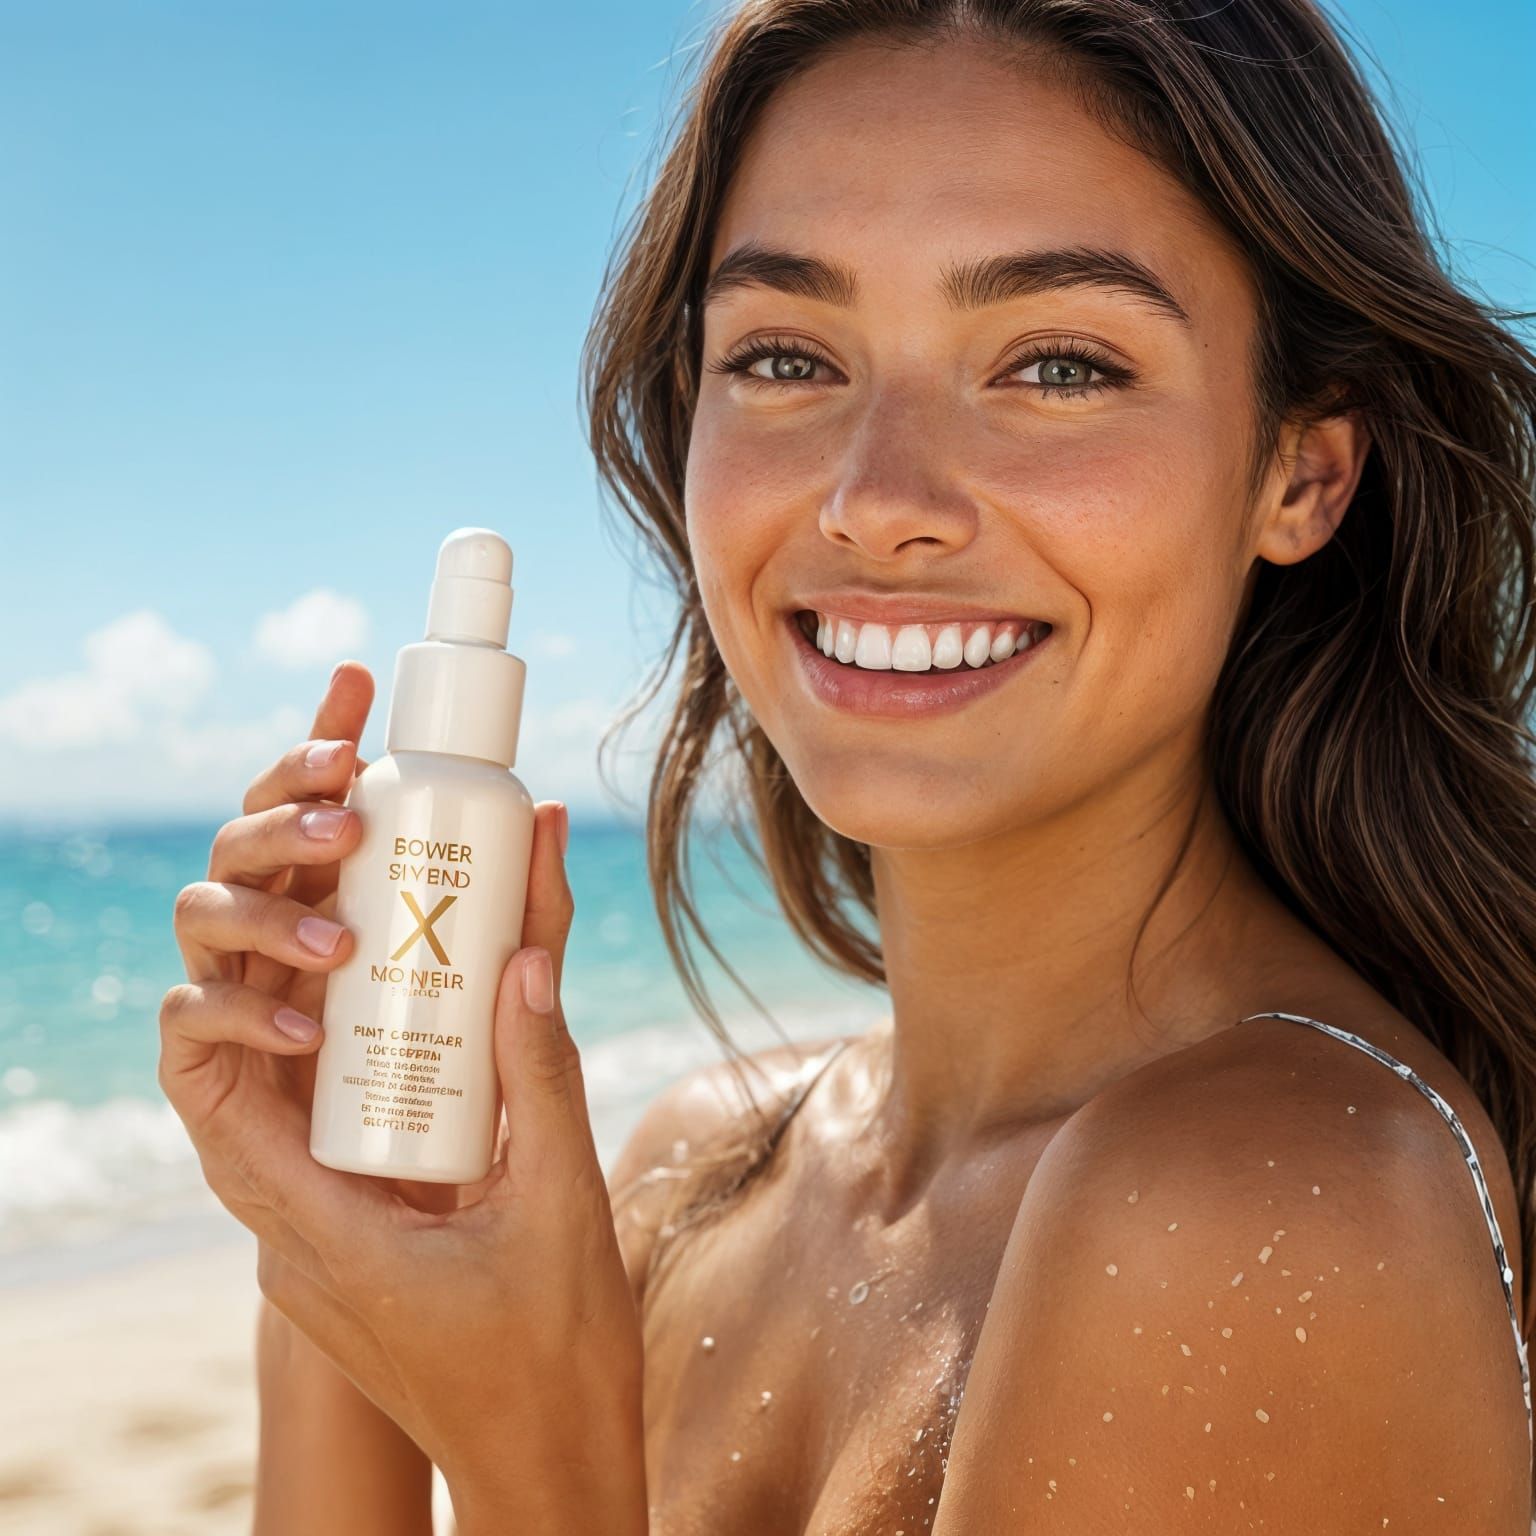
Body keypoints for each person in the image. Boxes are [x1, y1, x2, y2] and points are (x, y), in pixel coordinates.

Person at [160, 1, 1536, 1530]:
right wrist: (333, 1254)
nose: (878, 501)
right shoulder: (710, 1169)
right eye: (788, 354)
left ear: (1304, 469)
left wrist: (535, 1461)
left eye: (1061, 365)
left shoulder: (1268, 1200)